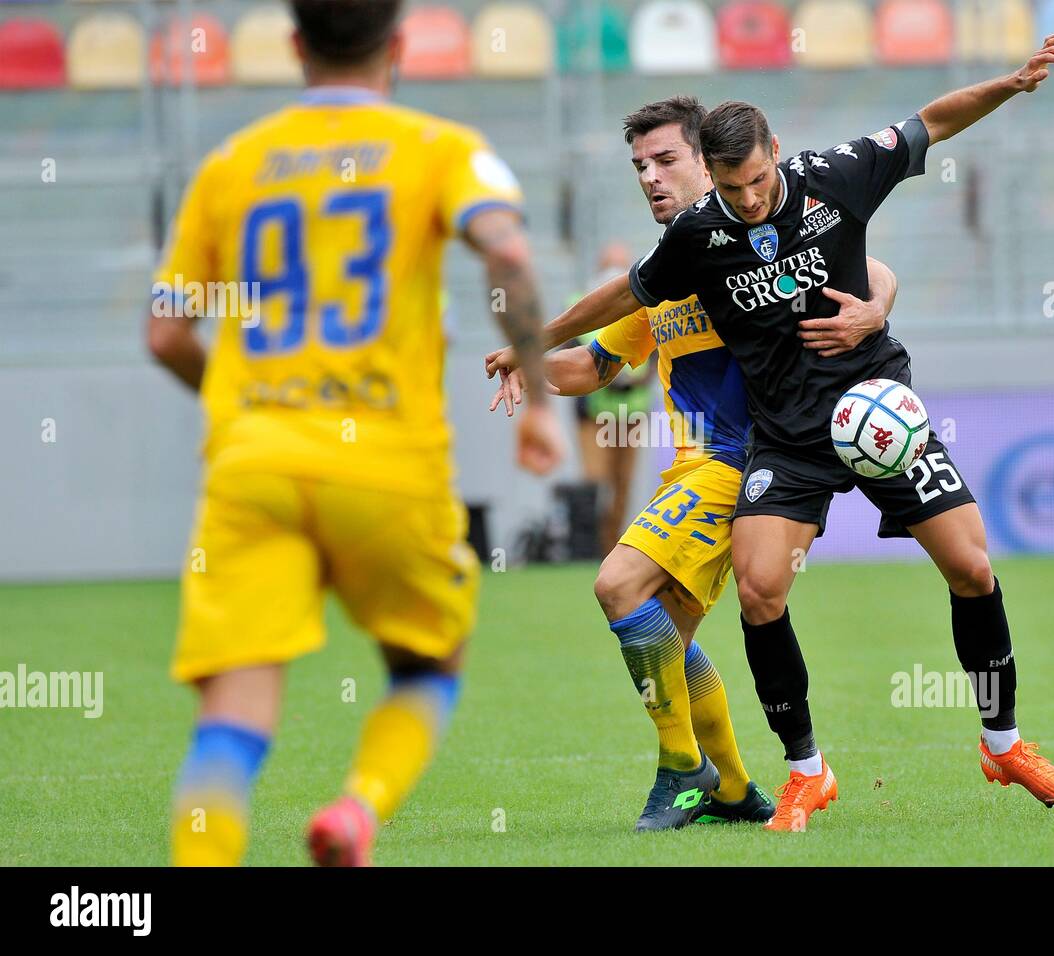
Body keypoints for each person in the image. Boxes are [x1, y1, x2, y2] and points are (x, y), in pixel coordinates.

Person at [489, 36, 1054, 832]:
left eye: (758, 181)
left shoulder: (835, 175)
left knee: (972, 568)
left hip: (875, 410)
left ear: (776, 153)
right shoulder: (697, 235)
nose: (750, 201)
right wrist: (532, 345)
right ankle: (803, 773)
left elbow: (932, 123)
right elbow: (620, 301)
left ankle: (1003, 744)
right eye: (733, 189)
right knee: (761, 590)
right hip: (787, 436)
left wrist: (1010, 85)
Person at [146, 0, 564, 866]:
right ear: (399, 45)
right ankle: (356, 812)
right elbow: (511, 254)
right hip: (386, 462)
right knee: (426, 667)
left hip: (253, 462)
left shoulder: (230, 165)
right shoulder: (442, 149)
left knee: (228, 721)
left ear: (295, 45)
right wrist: (538, 405)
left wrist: (241, 405)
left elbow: (166, 330)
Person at [488, 98, 898, 829]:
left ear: (708, 162)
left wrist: (872, 310)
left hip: (741, 462)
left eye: (667, 160)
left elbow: (871, 269)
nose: (650, 177)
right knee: (667, 641)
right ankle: (733, 789)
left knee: (617, 585)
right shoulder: (676, 261)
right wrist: (529, 361)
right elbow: (595, 364)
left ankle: (684, 769)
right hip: (689, 468)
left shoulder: (750, 240)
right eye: (640, 166)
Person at [568, 242, 657, 557]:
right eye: (609, 265)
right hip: (595, 414)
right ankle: (587, 549)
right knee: (595, 482)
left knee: (623, 485)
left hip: (632, 413)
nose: (614, 273)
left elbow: (655, 356)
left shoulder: (646, 304)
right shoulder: (581, 304)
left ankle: (609, 550)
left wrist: (637, 378)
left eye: (621, 265)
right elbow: (591, 352)